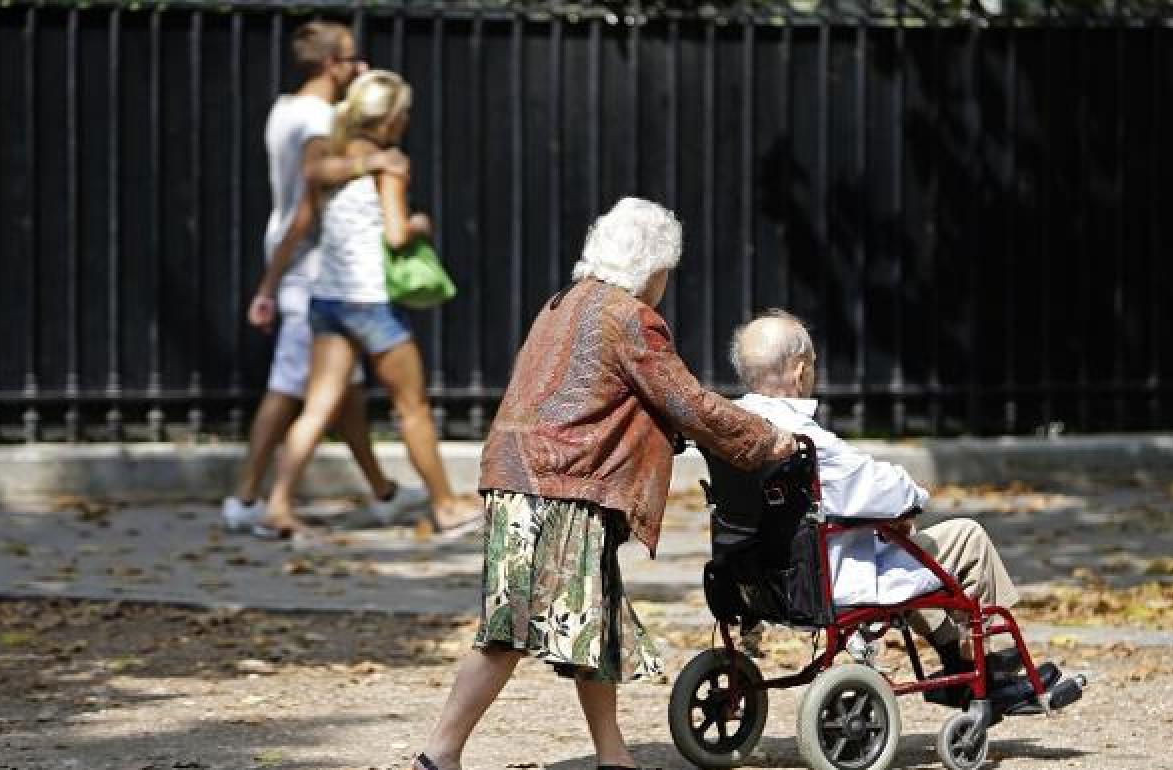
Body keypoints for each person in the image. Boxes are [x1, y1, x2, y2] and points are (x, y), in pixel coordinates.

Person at [410, 198, 802, 770]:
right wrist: (767, 439)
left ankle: (613, 756)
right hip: (557, 487)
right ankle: (439, 753)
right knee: (510, 628)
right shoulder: (629, 317)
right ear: (651, 267)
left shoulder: (562, 303)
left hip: (524, 479)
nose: (667, 280)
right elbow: (684, 401)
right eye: (667, 267)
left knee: (592, 625)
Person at [728, 309, 1057, 706]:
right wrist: (914, 500)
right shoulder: (809, 441)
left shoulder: (732, 428)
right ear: (800, 372)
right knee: (967, 537)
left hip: (763, 577)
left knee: (905, 549)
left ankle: (955, 653)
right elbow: (889, 491)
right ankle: (988, 663)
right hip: (829, 576)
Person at [251, 69, 480, 537]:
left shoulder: (329, 161)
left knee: (316, 408)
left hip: (328, 299)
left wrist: (267, 287)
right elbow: (396, 235)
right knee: (412, 407)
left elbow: (303, 217)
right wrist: (420, 224)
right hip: (372, 302)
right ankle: (445, 505)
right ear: (392, 118)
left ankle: (276, 504)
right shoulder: (388, 164)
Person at [224, 20, 426, 536]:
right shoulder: (316, 117)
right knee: (295, 390)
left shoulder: (284, 109)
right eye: (352, 58)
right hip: (311, 268)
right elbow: (311, 191)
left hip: (306, 267)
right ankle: (250, 499)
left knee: (341, 395)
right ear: (331, 64)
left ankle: (383, 491)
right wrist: (269, 284)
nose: (359, 67)